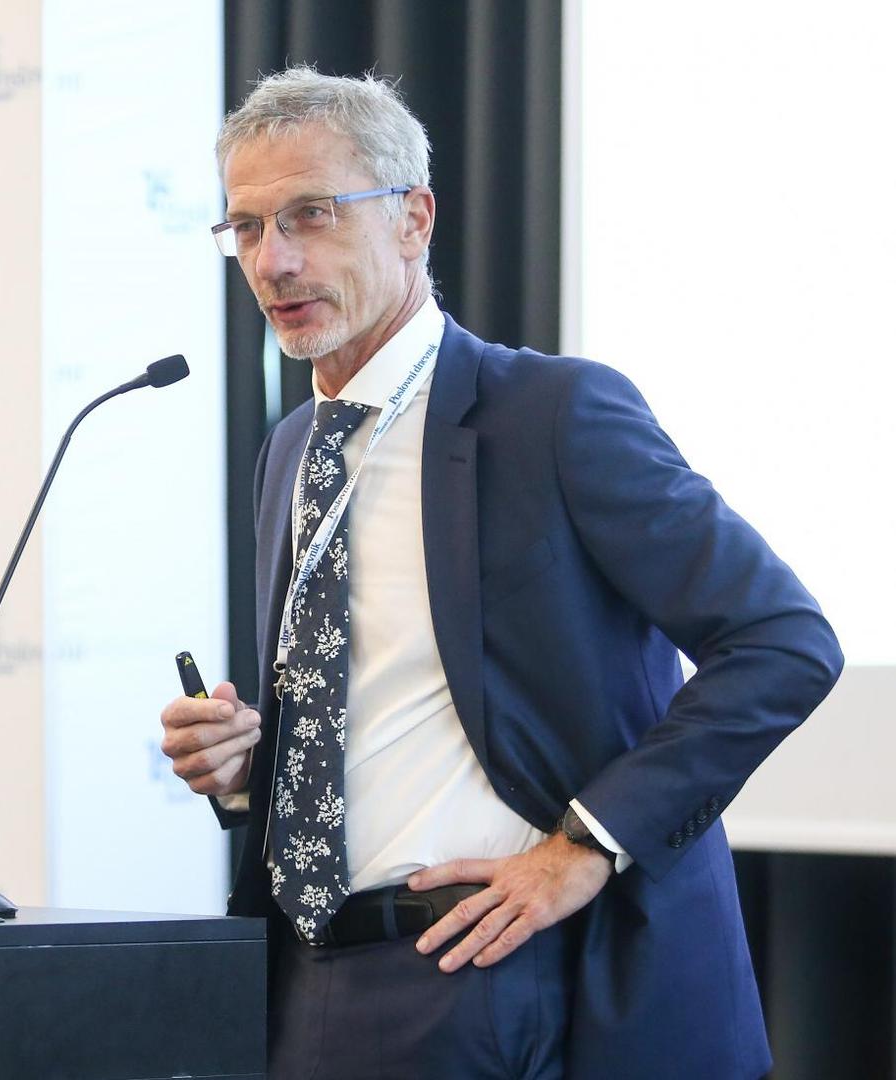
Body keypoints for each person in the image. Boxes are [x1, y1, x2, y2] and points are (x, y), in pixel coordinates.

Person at [159, 66, 842, 1080]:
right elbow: (380, 716)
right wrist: (246, 768)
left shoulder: (551, 416)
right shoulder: (292, 448)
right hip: (311, 980)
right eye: (247, 229)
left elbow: (783, 643)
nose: (274, 260)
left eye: (310, 215)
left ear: (413, 219)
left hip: (512, 976)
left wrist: (586, 846)